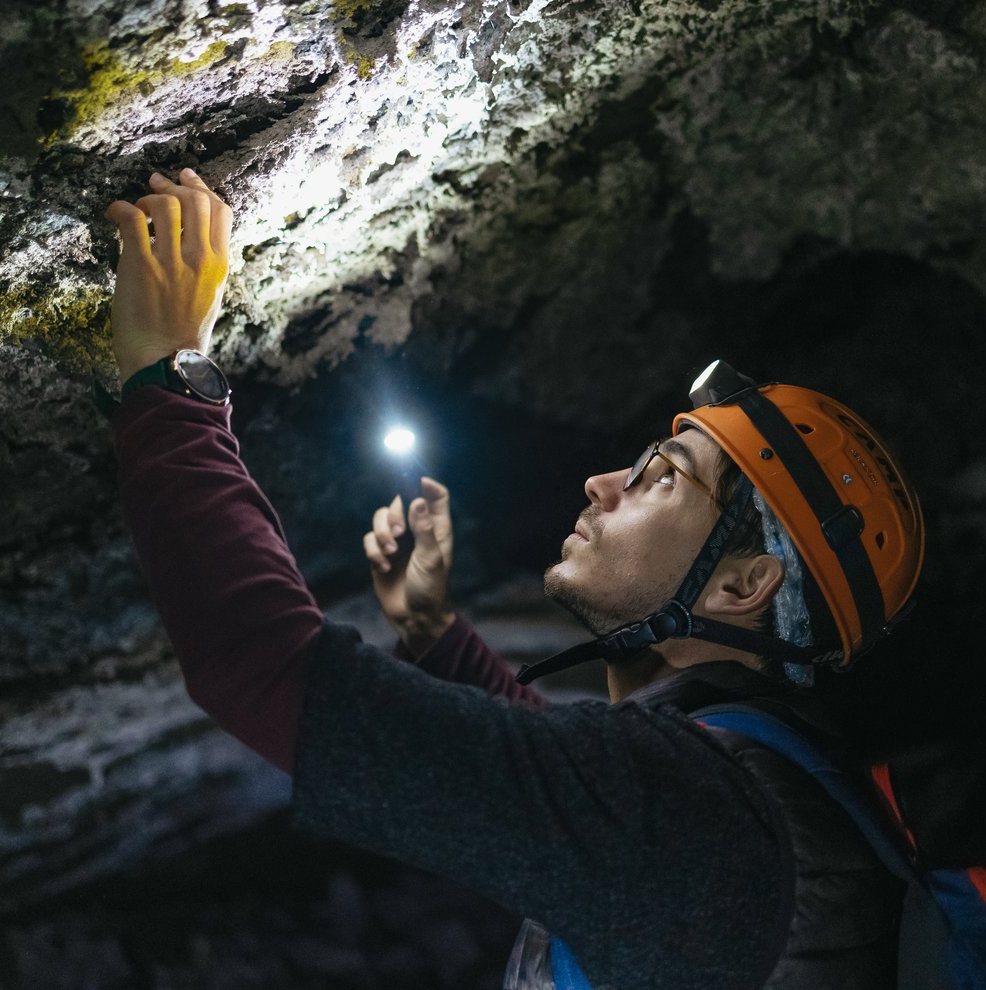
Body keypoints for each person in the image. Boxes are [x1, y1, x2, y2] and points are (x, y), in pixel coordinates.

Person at [100, 168, 924, 988]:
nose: (606, 483)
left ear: (743, 587)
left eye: (662, 477)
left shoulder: (689, 821)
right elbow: (564, 790)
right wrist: (435, 632)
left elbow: (259, 663)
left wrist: (172, 375)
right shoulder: (760, 795)